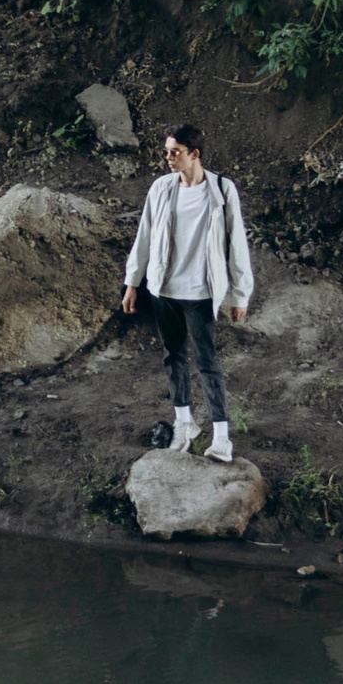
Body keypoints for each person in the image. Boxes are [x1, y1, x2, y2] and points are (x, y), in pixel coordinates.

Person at [120, 122, 254, 462]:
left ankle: (221, 437)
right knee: (173, 356)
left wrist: (240, 294)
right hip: (163, 289)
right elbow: (145, 237)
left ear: (194, 154)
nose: (167, 158)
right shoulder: (161, 188)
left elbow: (237, 244)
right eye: (166, 151)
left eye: (174, 152)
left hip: (201, 293)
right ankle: (184, 423)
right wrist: (132, 282)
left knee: (208, 363)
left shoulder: (223, 190)